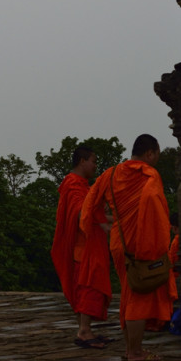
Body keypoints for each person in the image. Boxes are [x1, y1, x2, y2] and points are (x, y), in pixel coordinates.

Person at [81, 134, 177, 361]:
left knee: (128, 292)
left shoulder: (110, 173)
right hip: (142, 243)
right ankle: (134, 352)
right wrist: (160, 241)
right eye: (157, 155)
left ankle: (131, 349)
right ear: (150, 153)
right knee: (138, 297)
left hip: (119, 242)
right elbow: (155, 206)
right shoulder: (149, 174)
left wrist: (105, 223)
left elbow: (90, 204)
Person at [50, 145, 113, 349]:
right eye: (93, 161)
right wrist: (96, 204)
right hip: (83, 248)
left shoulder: (83, 186)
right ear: (82, 161)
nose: (95, 165)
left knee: (85, 289)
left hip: (87, 247)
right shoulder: (73, 184)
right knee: (89, 288)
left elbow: (93, 214)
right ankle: (84, 331)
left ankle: (85, 329)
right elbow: (79, 215)